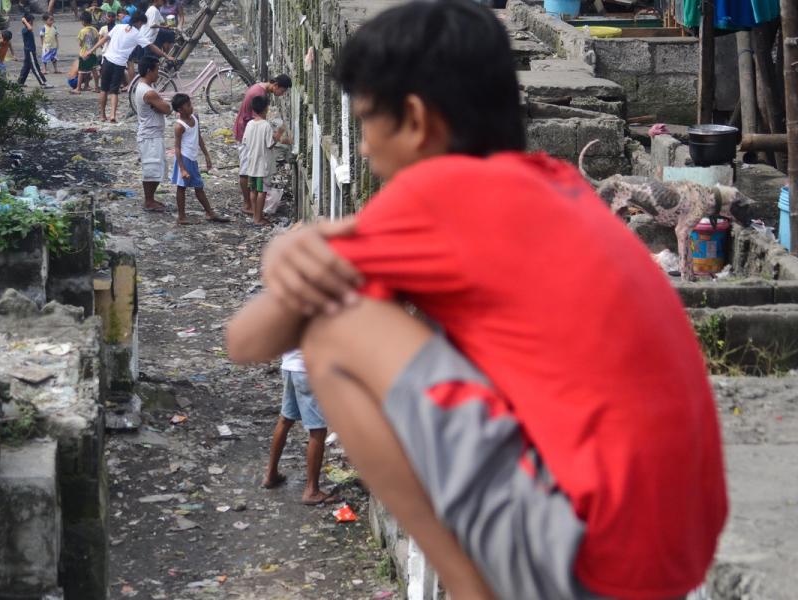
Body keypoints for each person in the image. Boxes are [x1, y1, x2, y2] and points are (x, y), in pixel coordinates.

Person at [224, 1, 727, 599]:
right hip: (676, 551)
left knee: (334, 329)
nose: (361, 148)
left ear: (413, 120)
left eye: (364, 122)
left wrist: (288, 252)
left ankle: (468, 587)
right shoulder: (553, 184)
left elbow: (248, 340)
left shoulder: (437, 196)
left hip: (594, 557)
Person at [262, 350, 337, 505]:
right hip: (307, 371)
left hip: (289, 367)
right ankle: (312, 491)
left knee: (285, 420)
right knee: (318, 430)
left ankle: (270, 474)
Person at [92, 11, 170, 123]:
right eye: (142, 24)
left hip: (107, 60)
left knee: (104, 89)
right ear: (139, 22)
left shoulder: (118, 27)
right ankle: (113, 115)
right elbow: (151, 46)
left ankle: (103, 115)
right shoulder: (136, 34)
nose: (141, 26)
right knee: (114, 91)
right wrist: (166, 55)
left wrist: (91, 50)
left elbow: (104, 39)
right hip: (119, 64)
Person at [234, 74, 291, 214]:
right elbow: (261, 127)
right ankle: (248, 205)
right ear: (275, 85)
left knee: (249, 171)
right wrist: (279, 136)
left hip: (245, 131)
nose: (282, 95)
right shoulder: (258, 93)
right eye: (282, 91)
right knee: (245, 171)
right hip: (245, 132)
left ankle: (251, 206)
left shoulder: (259, 88)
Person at [169, 94, 228, 225]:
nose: (192, 107)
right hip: (184, 159)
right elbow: (177, 148)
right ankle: (182, 216)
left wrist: (206, 155)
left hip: (193, 159)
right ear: (180, 110)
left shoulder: (195, 118)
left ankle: (209, 212)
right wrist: (182, 168)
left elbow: (198, 137)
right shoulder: (179, 126)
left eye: (191, 104)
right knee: (182, 187)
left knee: (198, 186)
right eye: (188, 105)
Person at [240, 95, 287, 225]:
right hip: (262, 165)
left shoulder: (250, 124)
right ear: (265, 109)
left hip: (251, 163)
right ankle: (258, 218)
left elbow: (245, 141)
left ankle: (255, 215)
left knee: (253, 190)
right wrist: (279, 133)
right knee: (262, 192)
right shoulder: (266, 125)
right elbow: (270, 144)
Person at [132, 57, 172, 212]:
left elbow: (162, 107)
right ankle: (149, 200)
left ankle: (151, 199)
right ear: (149, 71)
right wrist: (162, 105)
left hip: (152, 133)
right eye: (156, 69)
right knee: (152, 168)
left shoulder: (145, 87)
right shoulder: (148, 92)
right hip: (150, 135)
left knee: (157, 167)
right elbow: (167, 109)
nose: (158, 73)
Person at [17, 13, 52, 88]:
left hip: (30, 51)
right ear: (28, 22)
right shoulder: (25, 29)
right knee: (36, 67)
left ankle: (20, 82)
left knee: (26, 67)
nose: (32, 23)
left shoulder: (28, 29)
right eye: (31, 21)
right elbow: (30, 28)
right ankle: (43, 83)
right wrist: (25, 21)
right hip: (29, 51)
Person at [73, 12, 101, 93]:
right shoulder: (95, 29)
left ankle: (78, 88)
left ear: (83, 21)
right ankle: (96, 87)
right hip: (93, 53)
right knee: (94, 70)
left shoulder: (82, 31)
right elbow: (97, 40)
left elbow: (80, 43)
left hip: (84, 53)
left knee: (81, 71)